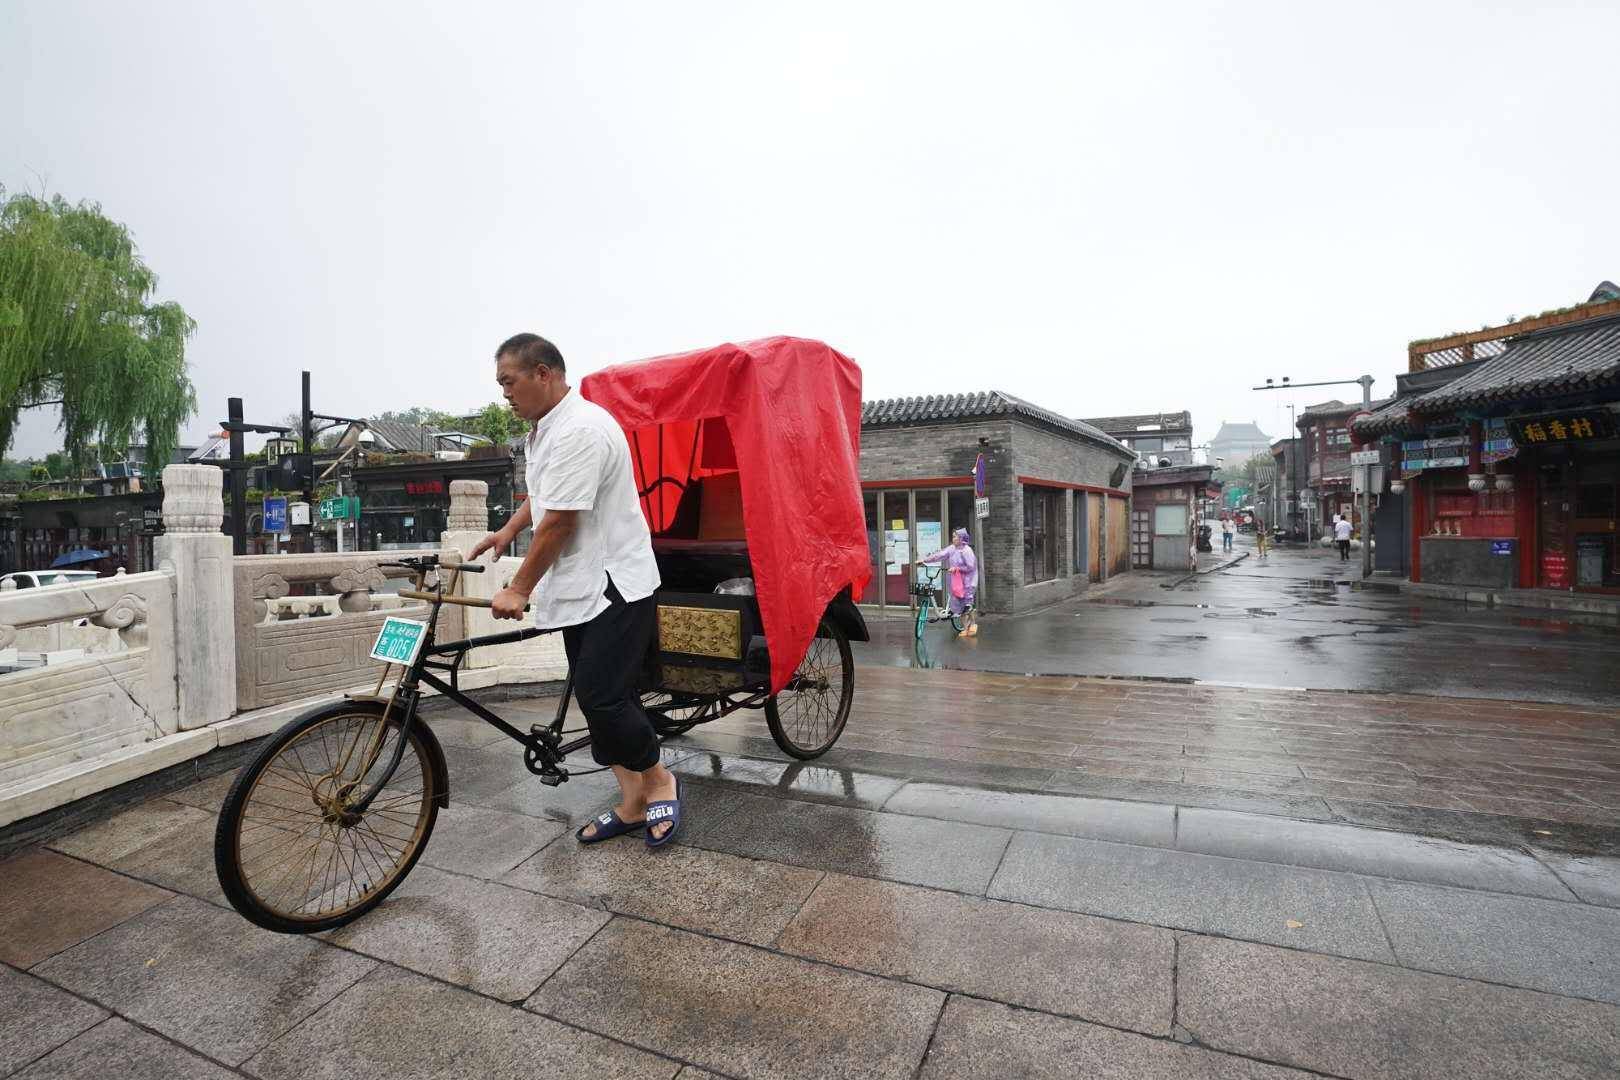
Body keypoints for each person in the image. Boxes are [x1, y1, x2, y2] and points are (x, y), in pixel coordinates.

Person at [471, 333, 682, 849]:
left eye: (509, 382)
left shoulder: (582, 429)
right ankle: (631, 800)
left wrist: (520, 588)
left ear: (543, 373)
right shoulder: (544, 431)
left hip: (616, 584)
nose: (505, 394)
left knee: (604, 697)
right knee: (596, 697)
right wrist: (507, 530)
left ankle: (659, 781)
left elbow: (561, 521)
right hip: (581, 584)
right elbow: (544, 498)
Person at [919, 527, 978, 636]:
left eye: (955, 536)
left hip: (968, 580)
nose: (953, 538)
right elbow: (939, 555)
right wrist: (924, 560)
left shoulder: (967, 550)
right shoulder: (951, 549)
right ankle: (965, 629)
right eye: (953, 536)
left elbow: (971, 567)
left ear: (961, 538)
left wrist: (957, 569)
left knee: (967, 605)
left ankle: (973, 624)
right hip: (956, 581)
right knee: (959, 606)